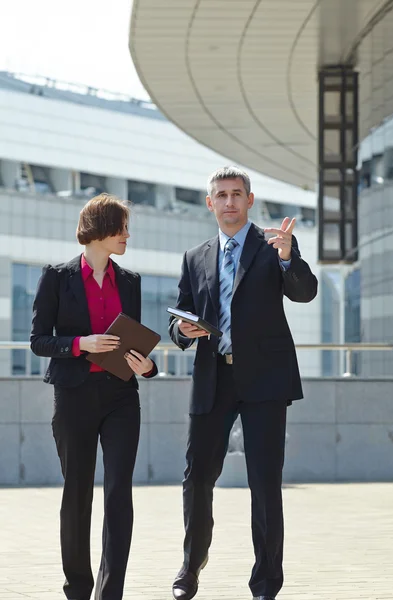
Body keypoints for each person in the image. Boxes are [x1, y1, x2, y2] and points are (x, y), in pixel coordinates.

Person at [169, 166, 318, 600]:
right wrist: (183, 332)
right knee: (197, 477)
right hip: (214, 377)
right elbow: (180, 317)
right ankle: (190, 567)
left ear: (250, 201)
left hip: (265, 380)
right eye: (222, 194)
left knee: (265, 482)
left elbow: (304, 291)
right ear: (210, 202)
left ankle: (266, 581)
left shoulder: (274, 247)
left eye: (237, 194)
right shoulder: (195, 257)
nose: (230, 201)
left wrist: (289, 257)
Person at [30, 193, 158, 600]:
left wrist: (148, 367)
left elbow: (134, 343)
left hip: (121, 396)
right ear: (100, 229)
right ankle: (78, 590)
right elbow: (38, 341)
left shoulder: (130, 282)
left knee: (119, 491)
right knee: (77, 492)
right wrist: (81, 343)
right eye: (122, 227)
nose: (127, 235)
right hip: (74, 395)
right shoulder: (57, 276)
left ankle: (110, 592)